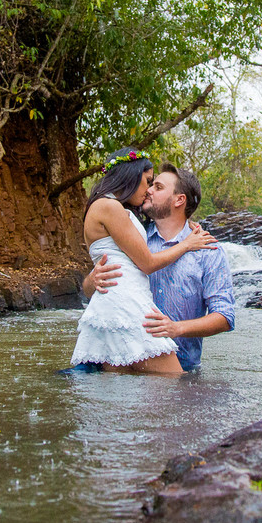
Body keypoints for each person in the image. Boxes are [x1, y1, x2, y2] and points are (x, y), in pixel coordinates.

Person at [70, 148, 218, 375]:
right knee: (174, 384)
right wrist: (187, 244)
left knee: (122, 396)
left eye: (156, 186)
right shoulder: (110, 207)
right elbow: (146, 263)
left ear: (180, 200)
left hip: (119, 306)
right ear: (130, 175)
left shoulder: (120, 212)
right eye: (148, 181)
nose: (148, 190)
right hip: (127, 306)